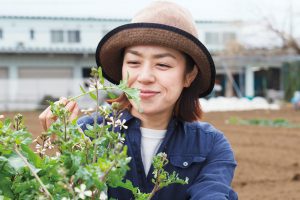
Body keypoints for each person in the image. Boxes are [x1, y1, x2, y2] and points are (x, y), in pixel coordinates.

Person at [39, 1, 238, 199]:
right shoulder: (87, 133)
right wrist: (68, 149)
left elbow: (212, 193)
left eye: (162, 64)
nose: (144, 77)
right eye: (134, 62)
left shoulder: (210, 145)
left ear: (189, 75)